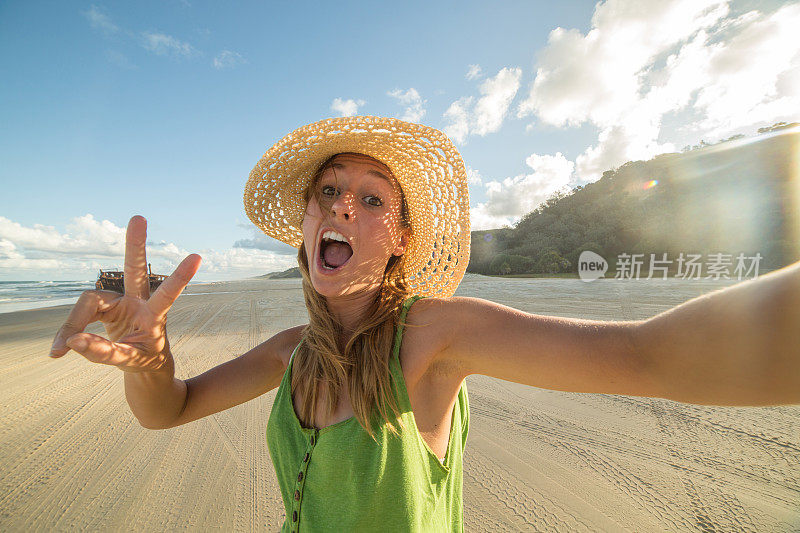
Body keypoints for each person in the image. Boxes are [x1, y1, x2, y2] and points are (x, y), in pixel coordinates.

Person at [49, 116, 800, 532]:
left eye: (372, 199)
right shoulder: (290, 354)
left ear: (403, 237)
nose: (342, 204)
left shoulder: (436, 335)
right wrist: (150, 359)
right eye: (330, 190)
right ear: (307, 221)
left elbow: (643, 356)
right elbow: (168, 410)